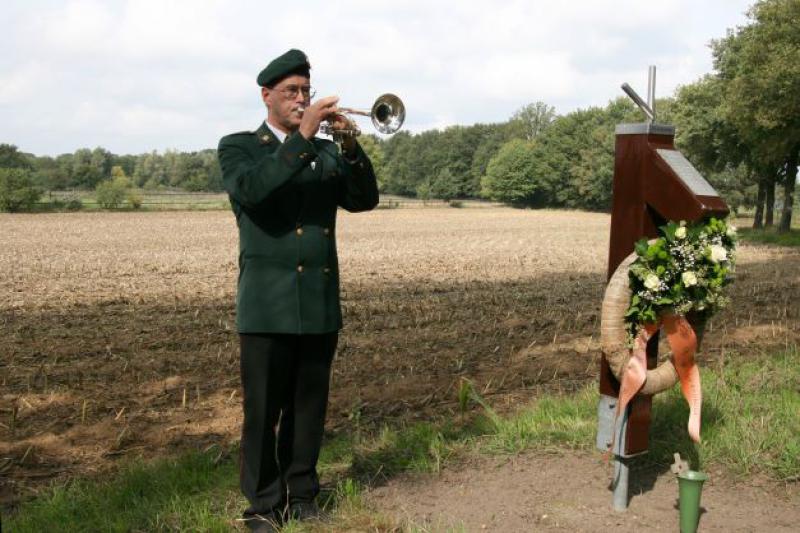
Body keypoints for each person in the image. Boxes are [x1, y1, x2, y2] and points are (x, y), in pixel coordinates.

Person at [217, 49, 379, 532]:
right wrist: (305, 135)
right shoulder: (240, 146)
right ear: (266, 95)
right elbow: (255, 191)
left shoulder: (327, 152)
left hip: (318, 303)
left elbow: (363, 200)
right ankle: (265, 505)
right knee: (263, 411)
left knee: (309, 408)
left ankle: (303, 492)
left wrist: (350, 148)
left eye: (306, 92)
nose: (302, 99)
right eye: (292, 92)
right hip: (267, 305)